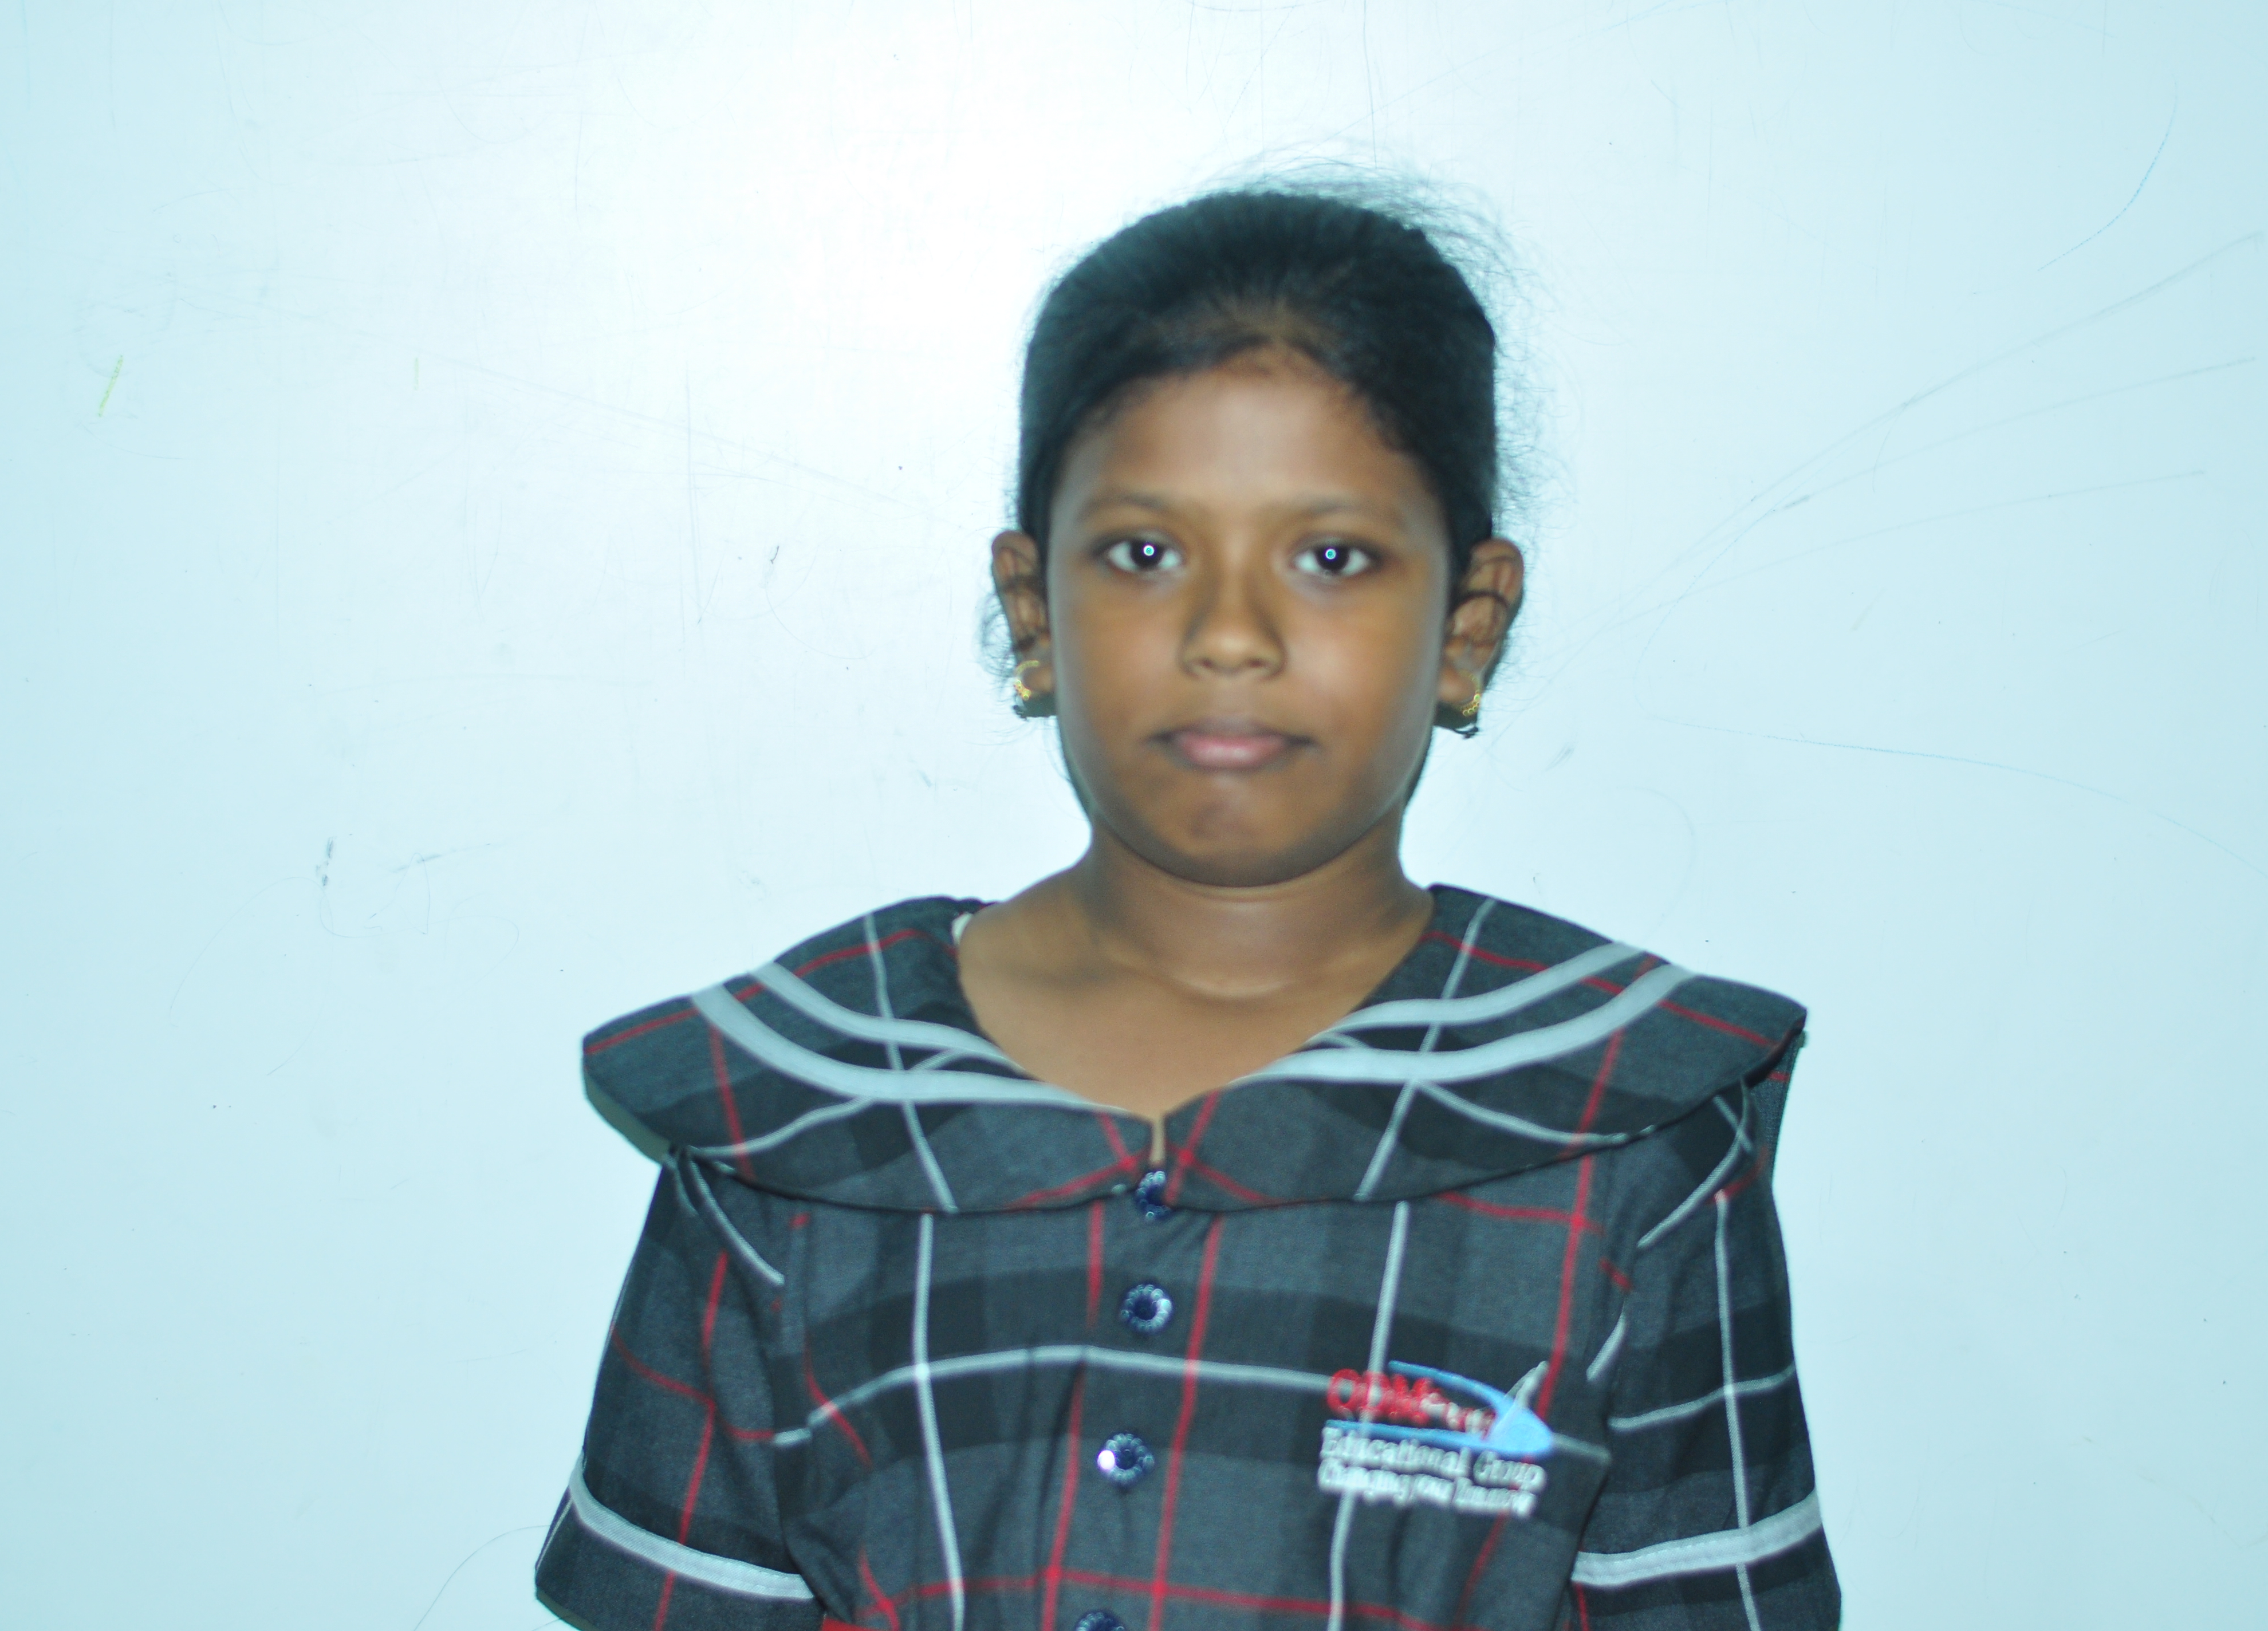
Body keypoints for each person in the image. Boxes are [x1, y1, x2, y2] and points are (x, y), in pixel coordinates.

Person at [534, 186, 1839, 1631]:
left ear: (1465, 626)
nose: (1229, 634)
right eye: (1145, 554)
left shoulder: (1624, 1129)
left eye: (1330, 557)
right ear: (1032, 611)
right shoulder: (801, 1106)